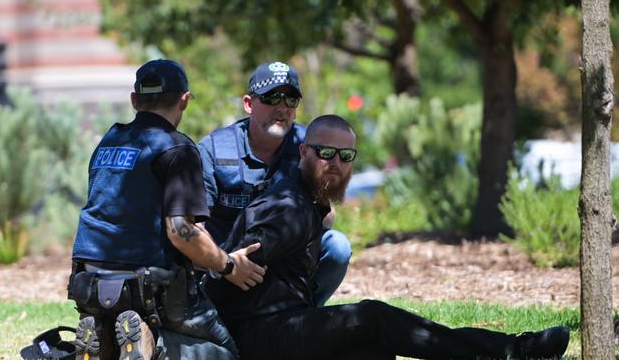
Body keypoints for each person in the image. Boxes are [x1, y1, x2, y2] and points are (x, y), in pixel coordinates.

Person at [205, 114, 570, 360]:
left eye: (346, 155)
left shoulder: (307, 201)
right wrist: (230, 269)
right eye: (326, 153)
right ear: (303, 152)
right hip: (258, 337)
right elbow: (235, 261)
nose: (336, 163)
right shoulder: (289, 206)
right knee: (373, 317)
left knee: (375, 346)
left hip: (284, 325)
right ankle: (512, 350)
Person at [68, 59, 265, 359]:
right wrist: (227, 265)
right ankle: (155, 344)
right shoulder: (176, 148)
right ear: (184, 101)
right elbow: (180, 232)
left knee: (125, 328)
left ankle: (105, 336)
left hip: (89, 285)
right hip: (147, 288)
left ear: (135, 100)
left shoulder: (109, 141)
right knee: (226, 352)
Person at [198, 61, 351, 306]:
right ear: (248, 104)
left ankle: (305, 315)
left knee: (337, 247)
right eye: (271, 98)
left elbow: (327, 217)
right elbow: (194, 228)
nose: (282, 108)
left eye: (290, 100)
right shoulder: (213, 150)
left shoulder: (310, 146)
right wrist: (225, 263)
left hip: (288, 263)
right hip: (227, 265)